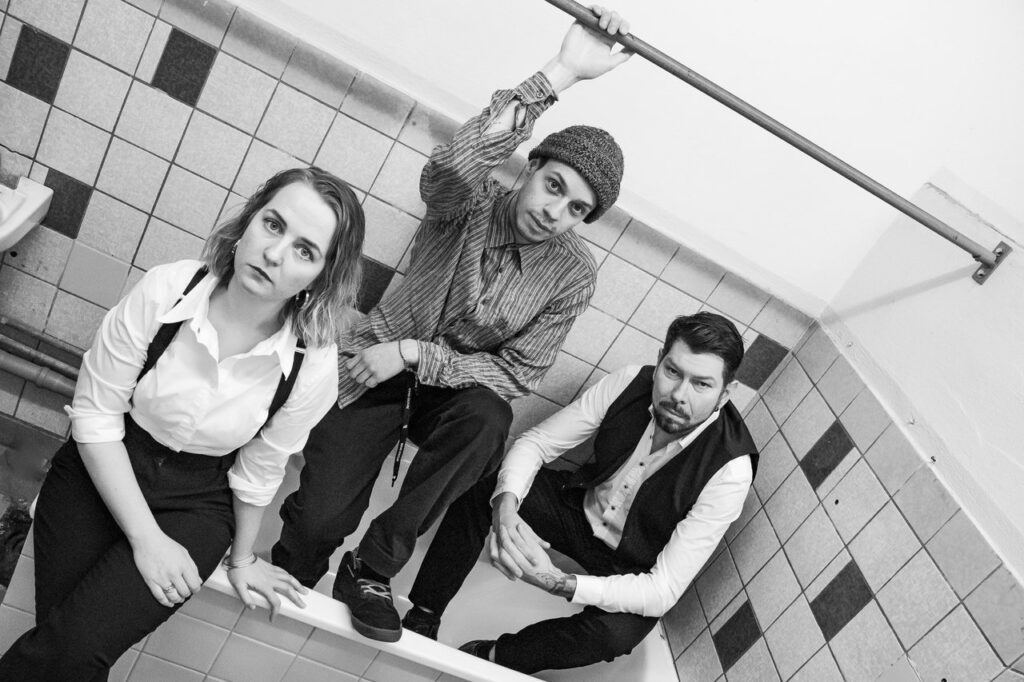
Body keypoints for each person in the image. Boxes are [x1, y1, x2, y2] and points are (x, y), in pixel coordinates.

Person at [271, 5, 634, 644]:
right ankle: (289, 585)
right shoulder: (466, 203)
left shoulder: (575, 273)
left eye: (577, 209)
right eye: (553, 187)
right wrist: (562, 72)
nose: (557, 212)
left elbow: (516, 374)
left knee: (490, 418)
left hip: (447, 397)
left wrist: (416, 353)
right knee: (314, 523)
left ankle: (371, 570)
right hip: (371, 370)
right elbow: (452, 165)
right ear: (529, 168)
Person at [0, 167, 365, 681]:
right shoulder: (169, 288)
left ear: (323, 276)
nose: (275, 254)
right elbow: (96, 415)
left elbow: (259, 469)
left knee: (73, 651)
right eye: (273, 224)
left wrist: (242, 559)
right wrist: (147, 540)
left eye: (305, 251)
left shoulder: (312, 364)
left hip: (197, 503)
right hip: (101, 466)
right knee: (71, 654)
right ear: (249, 220)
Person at [403, 312, 760, 674]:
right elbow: (537, 443)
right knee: (490, 481)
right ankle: (423, 616)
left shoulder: (730, 471)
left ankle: (493, 657)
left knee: (614, 636)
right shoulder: (629, 382)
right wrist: (505, 512)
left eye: (701, 384)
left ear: (725, 393)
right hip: (576, 509)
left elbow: (662, 590)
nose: (679, 395)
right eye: (672, 372)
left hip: (632, 563)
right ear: (659, 361)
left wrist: (560, 583)